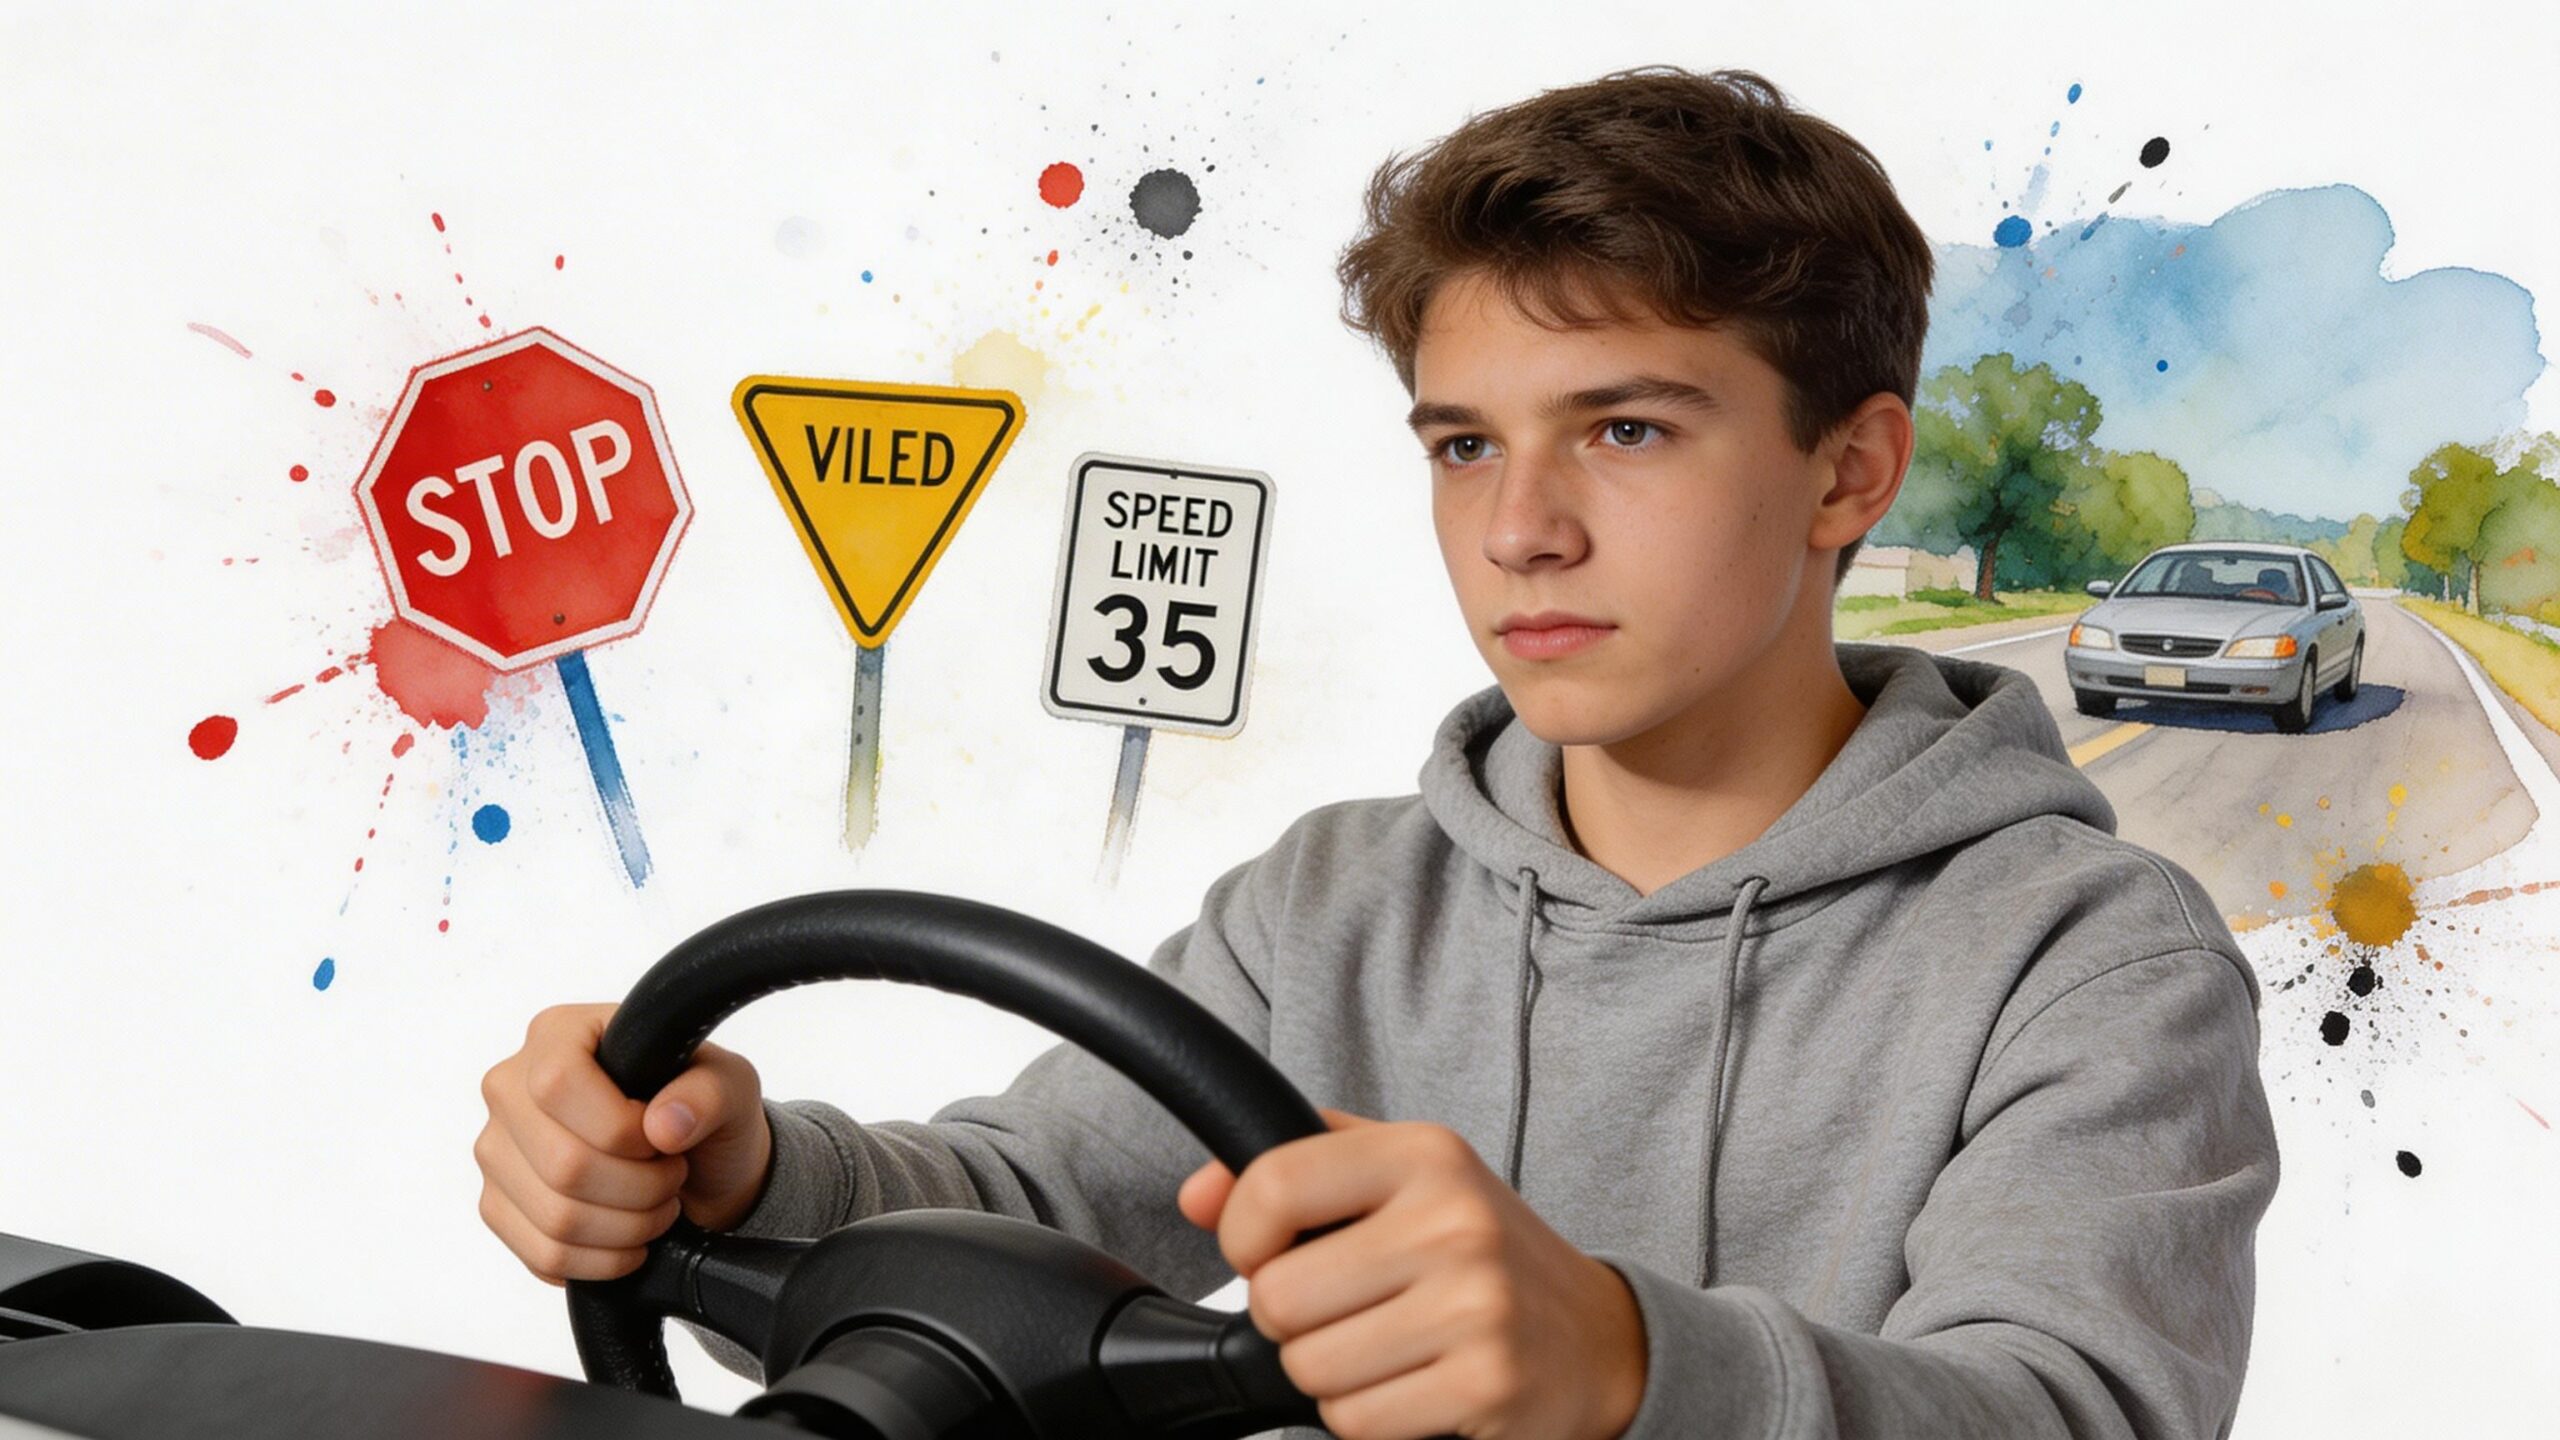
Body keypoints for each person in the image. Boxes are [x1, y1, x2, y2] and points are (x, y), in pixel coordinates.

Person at [476, 66, 2279, 1439]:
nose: (1523, 532)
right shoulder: (1331, 902)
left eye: (1628, 429)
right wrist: (737, 1177)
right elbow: (1037, 1204)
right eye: (1463, 447)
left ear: (1851, 471)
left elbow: (2070, 1405)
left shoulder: (2092, 961)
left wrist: (1629, 1365)